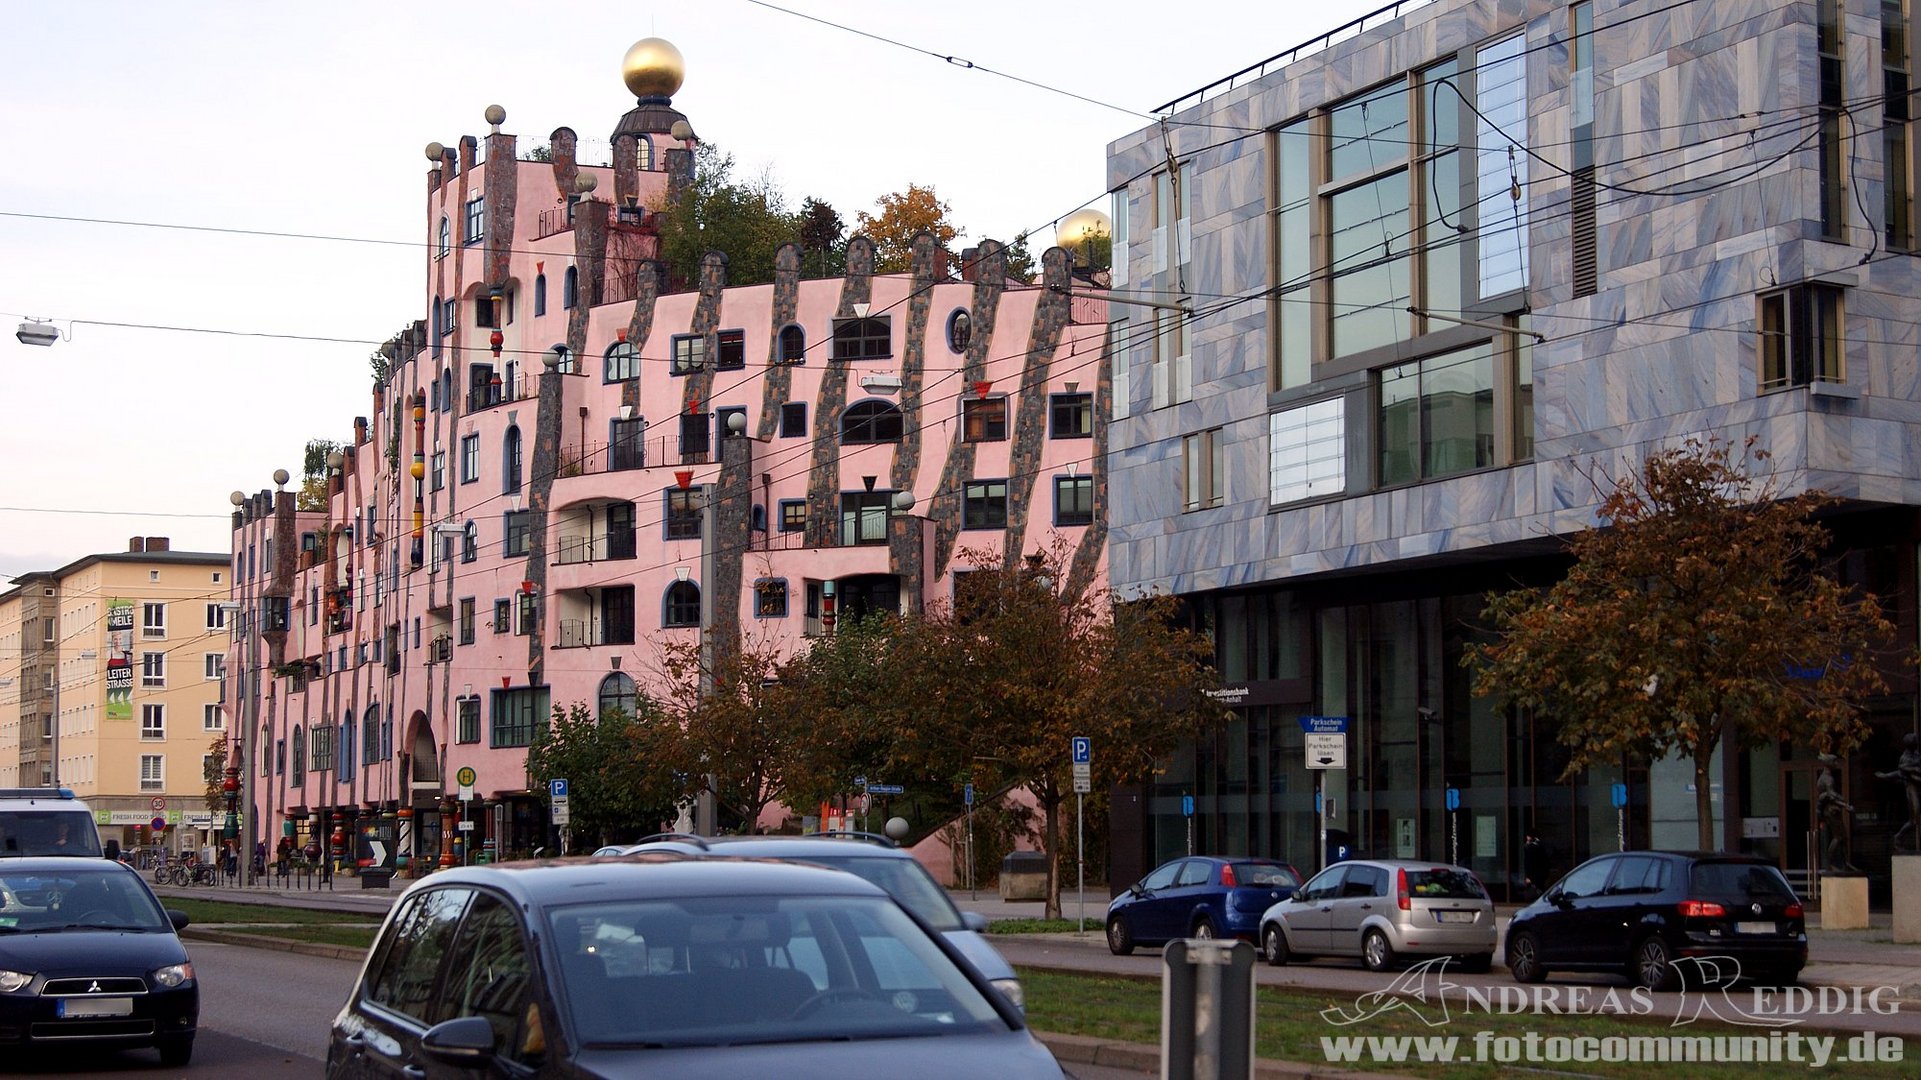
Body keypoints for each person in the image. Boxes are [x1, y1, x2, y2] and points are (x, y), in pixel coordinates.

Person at [1877, 733, 1921, 851]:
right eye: (1915, 743)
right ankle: (1898, 837)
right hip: (1912, 789)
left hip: (1918, 788)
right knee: (1915, 817)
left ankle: (1898, 837)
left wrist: (1912, 768)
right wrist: (1885, 776)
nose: (1917, 744)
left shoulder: (1916, 755)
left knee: (1914, 820)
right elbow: (1900, 773)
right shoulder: (1904, 758)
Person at [1521, 832, 1548, 901]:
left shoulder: (1532, 848)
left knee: (1535, 892)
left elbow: (1529, 864)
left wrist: (1528, 877)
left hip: (1535, 876)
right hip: (1539, 875)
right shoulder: (1540, 847)